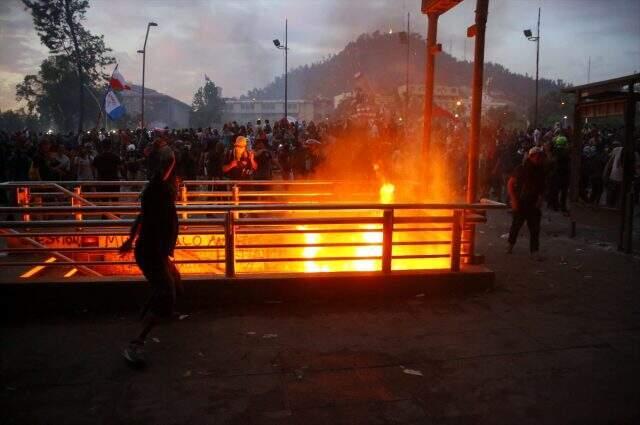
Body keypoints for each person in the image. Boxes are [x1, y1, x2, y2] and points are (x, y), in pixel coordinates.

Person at [120, 147, 181, 366]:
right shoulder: (158, 193)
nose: (179, 187)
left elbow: (142, 216)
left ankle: (161, 312)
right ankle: (135, 342)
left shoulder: (159, 195)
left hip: (157, 250)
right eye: (177, 184)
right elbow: (143, 217)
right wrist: (170, 159)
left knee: (174, 280)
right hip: (151, 252)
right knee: (166, 292)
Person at [507, 146, 546, 256]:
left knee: (534, 229)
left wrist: (540, 200)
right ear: (531, 157)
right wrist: (513, 200)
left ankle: (534, 251)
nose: (539, 159)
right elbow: (510, 183)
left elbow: (543, 188)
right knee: (516, 226)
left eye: (540, 157)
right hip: (521, 202)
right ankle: (510, 245)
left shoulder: (541, 171)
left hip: (533, 204)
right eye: (537, 156)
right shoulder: (521, 169)